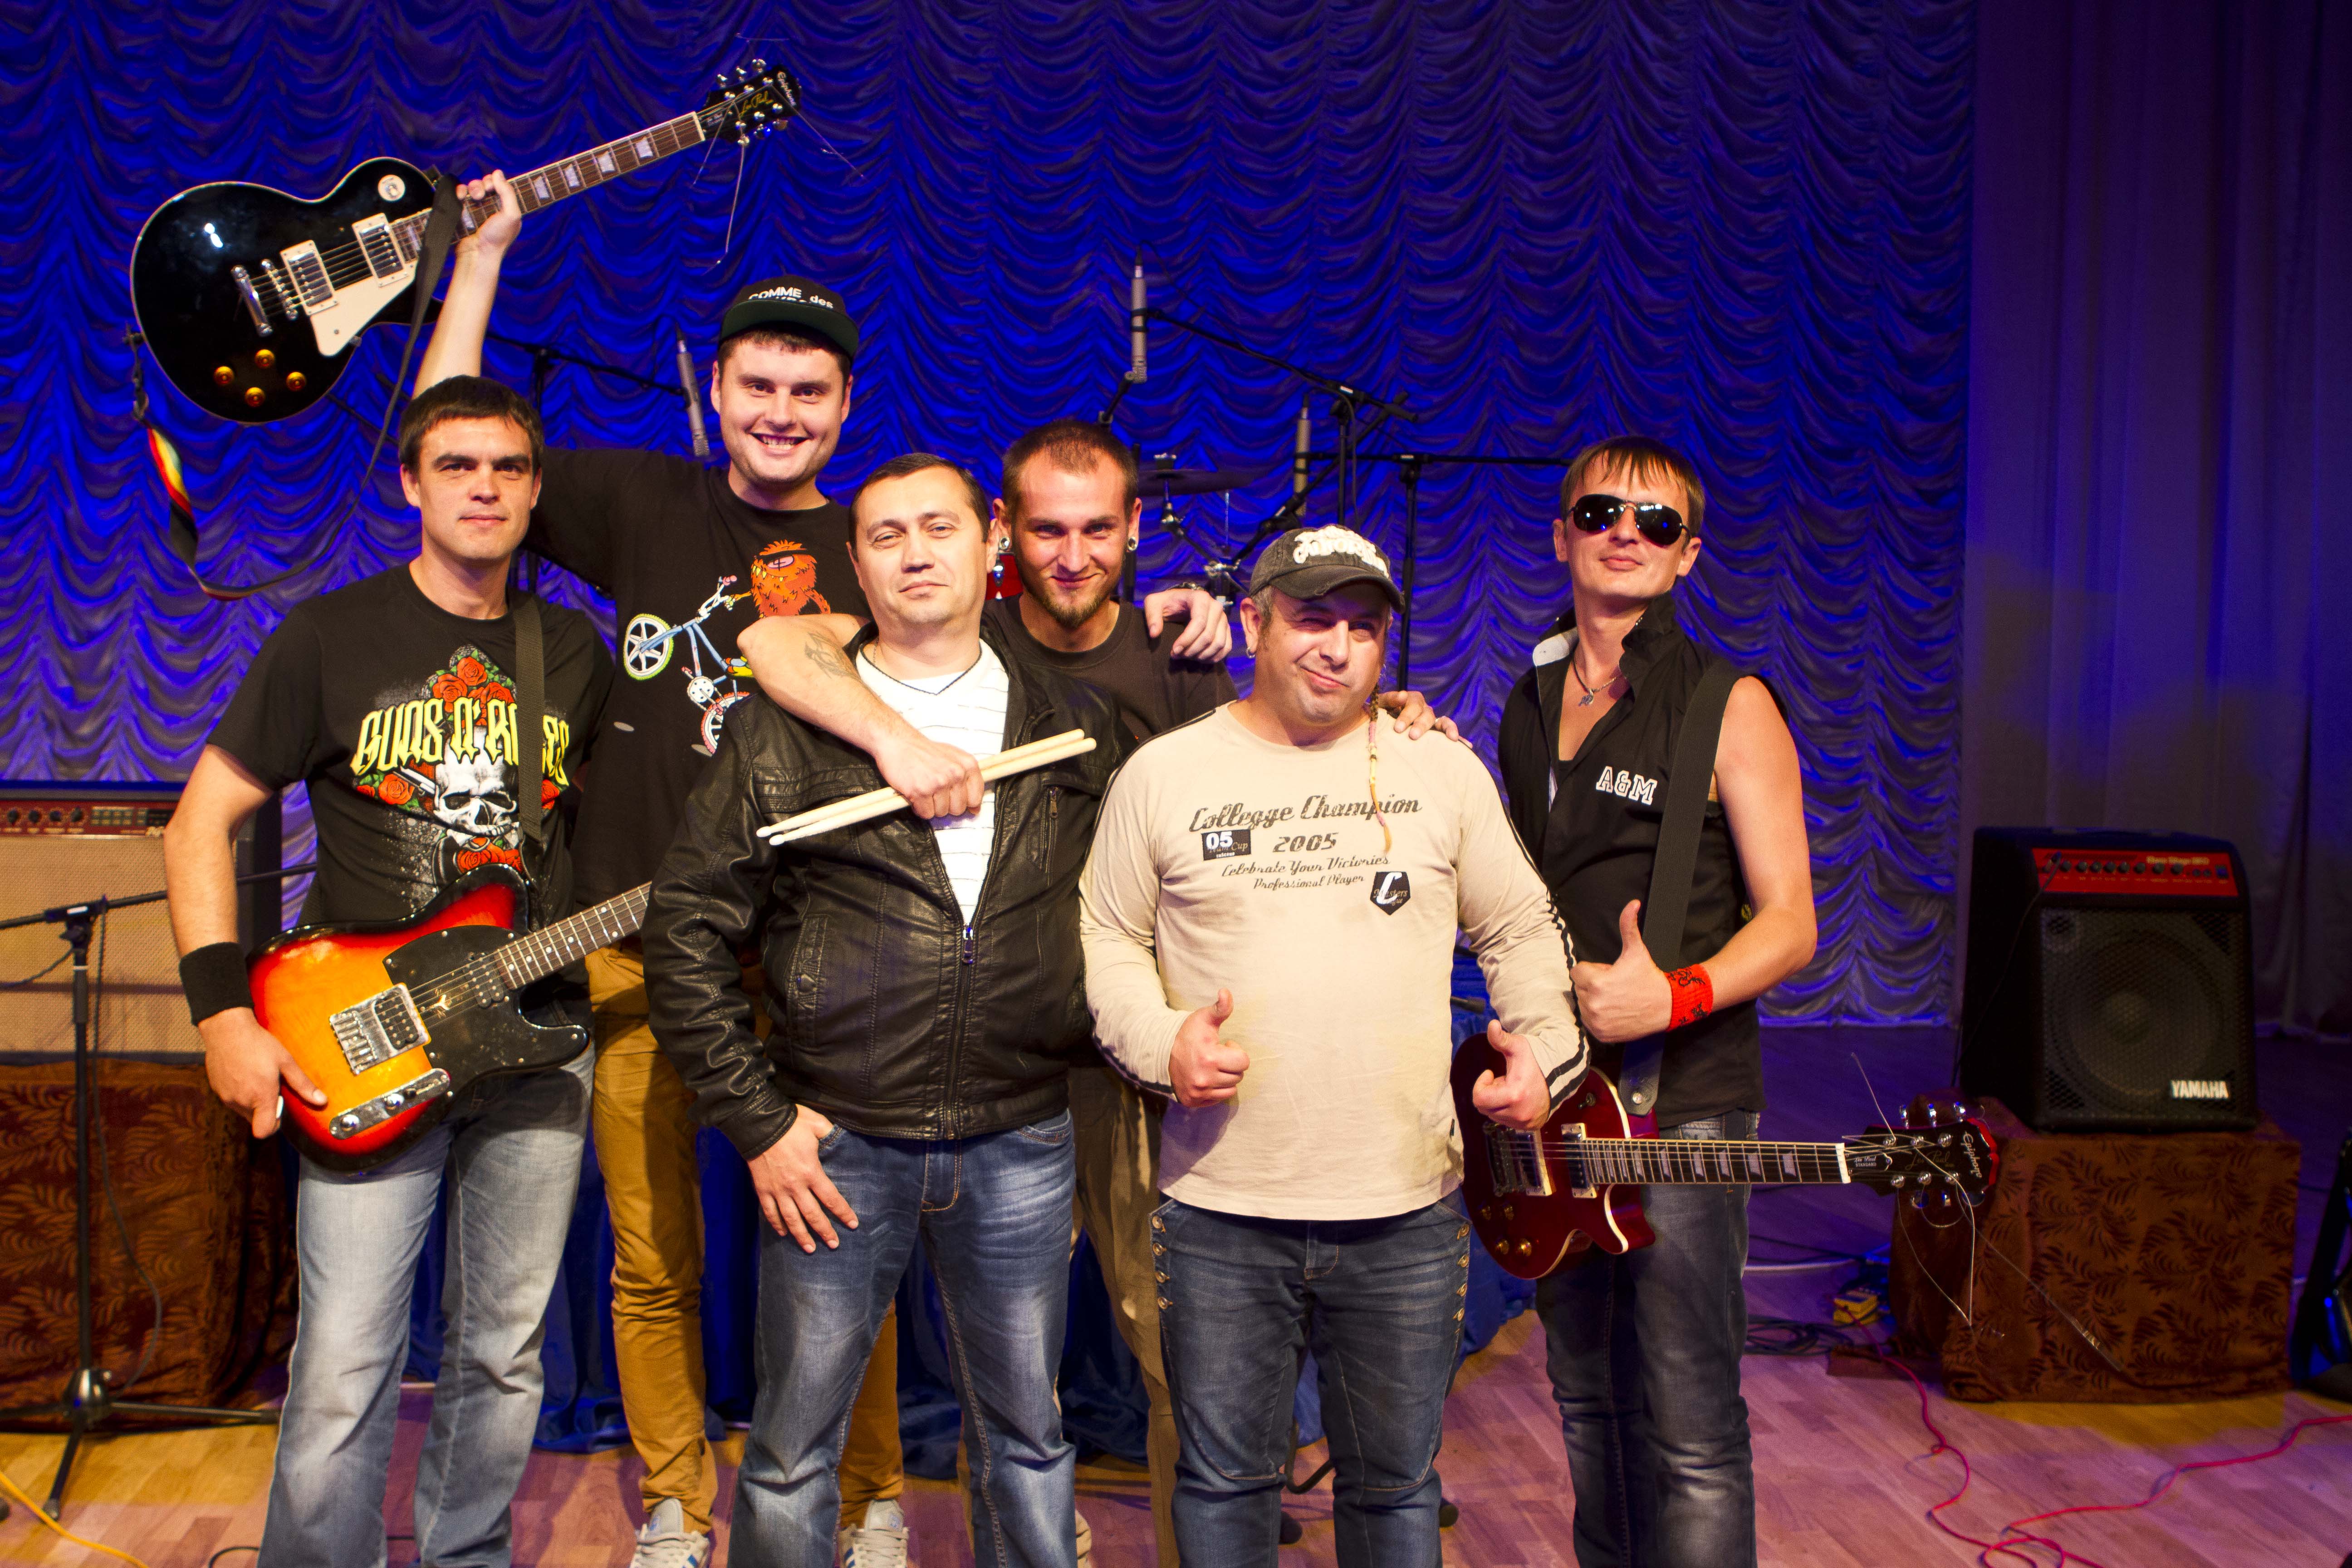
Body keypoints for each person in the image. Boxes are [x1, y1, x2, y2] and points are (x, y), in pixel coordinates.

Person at [413, 174, 1223, 1568]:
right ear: (713, 393)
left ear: (846, 409)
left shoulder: (873, 543)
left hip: (815, 953)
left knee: (855, 1245)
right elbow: (457, 434)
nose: (781, 412)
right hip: (642, 942)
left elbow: (1026, 615)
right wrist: (481, 260)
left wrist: (1182, 611)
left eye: (809, 391)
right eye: (758, 386)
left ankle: (869, 1500)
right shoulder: (642, 500)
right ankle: (678, 1502)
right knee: (654, 1256)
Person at [736, 419, 1454, 1565]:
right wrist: (890, 738)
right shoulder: (950, 639)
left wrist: (1390, 724)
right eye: (1047, 531)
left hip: (1127, 1064)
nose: (1072, 557)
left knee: (1174, 1359)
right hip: (988, 1075)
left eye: (1096, 532)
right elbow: (776, 641)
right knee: (998, 1382)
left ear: (1134, 529)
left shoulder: (1181, 659)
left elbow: (1281, 751)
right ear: (1005, 535)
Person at [162, 377, 613, 1568]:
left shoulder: (574, 650)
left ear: (536, 490)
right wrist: (222, 1017)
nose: (484, 488)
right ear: (411, 483)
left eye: (508, 468)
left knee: (503, 1356)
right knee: (345, 1359)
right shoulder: (330, 636)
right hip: (360, 1035)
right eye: (456, 465)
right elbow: (198, 824)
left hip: (533, 1039)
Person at [647, 453, 1124, 1568]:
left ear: (991, 539)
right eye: (887, 535)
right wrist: (758, 1121)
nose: (916, 554)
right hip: (836, 1140)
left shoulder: (1078, 721)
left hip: (1021, 1132)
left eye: (939, 527)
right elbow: (685, 930)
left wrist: (1389, 718)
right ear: (855, 567)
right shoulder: (783, 730)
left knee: (1028, 1439)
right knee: (792, 1447)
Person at [1080, 524, 1588, 1567]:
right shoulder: (1164, 774)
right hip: (1222, 1209)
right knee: (1224, 1488)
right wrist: (1163, 1041)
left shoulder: (1439, 772)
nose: (1339, 649)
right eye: (1314, 620)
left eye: (1364, 628)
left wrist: (1544, 1047)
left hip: (1406, 1210)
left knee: (1396, 1491)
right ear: (1254, 624)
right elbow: (1107, 935)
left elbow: (1521, 928)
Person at [1494, 436, 1817, 1568]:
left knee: (1689, 1424)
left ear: (1688, 557)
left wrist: (1669, 997)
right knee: (1588, 1401)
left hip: (1685, 1100)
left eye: (1657, 523)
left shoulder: (1730, 703)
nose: (1626, 534)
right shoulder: (1530, 699)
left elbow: (1792, 922)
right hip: (1561, 1104)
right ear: (1562, 536)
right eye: (1600, 514)